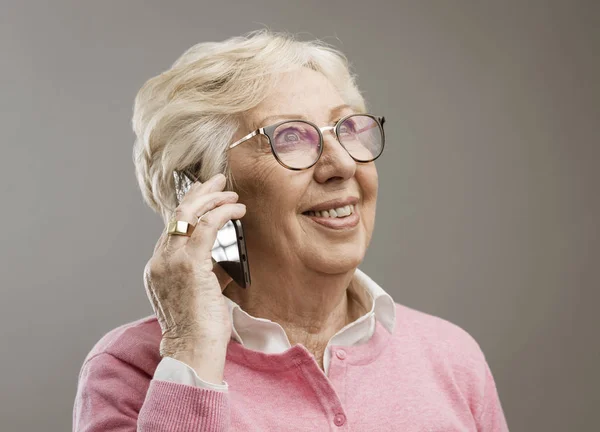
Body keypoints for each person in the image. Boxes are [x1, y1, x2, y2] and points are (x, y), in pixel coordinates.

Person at [72, 29, 509, 431]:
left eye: (347, 129)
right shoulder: (131, 368)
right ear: (201, 188)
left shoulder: (451, 356)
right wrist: (191, 347)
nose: (342, 165)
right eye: (291, 137)